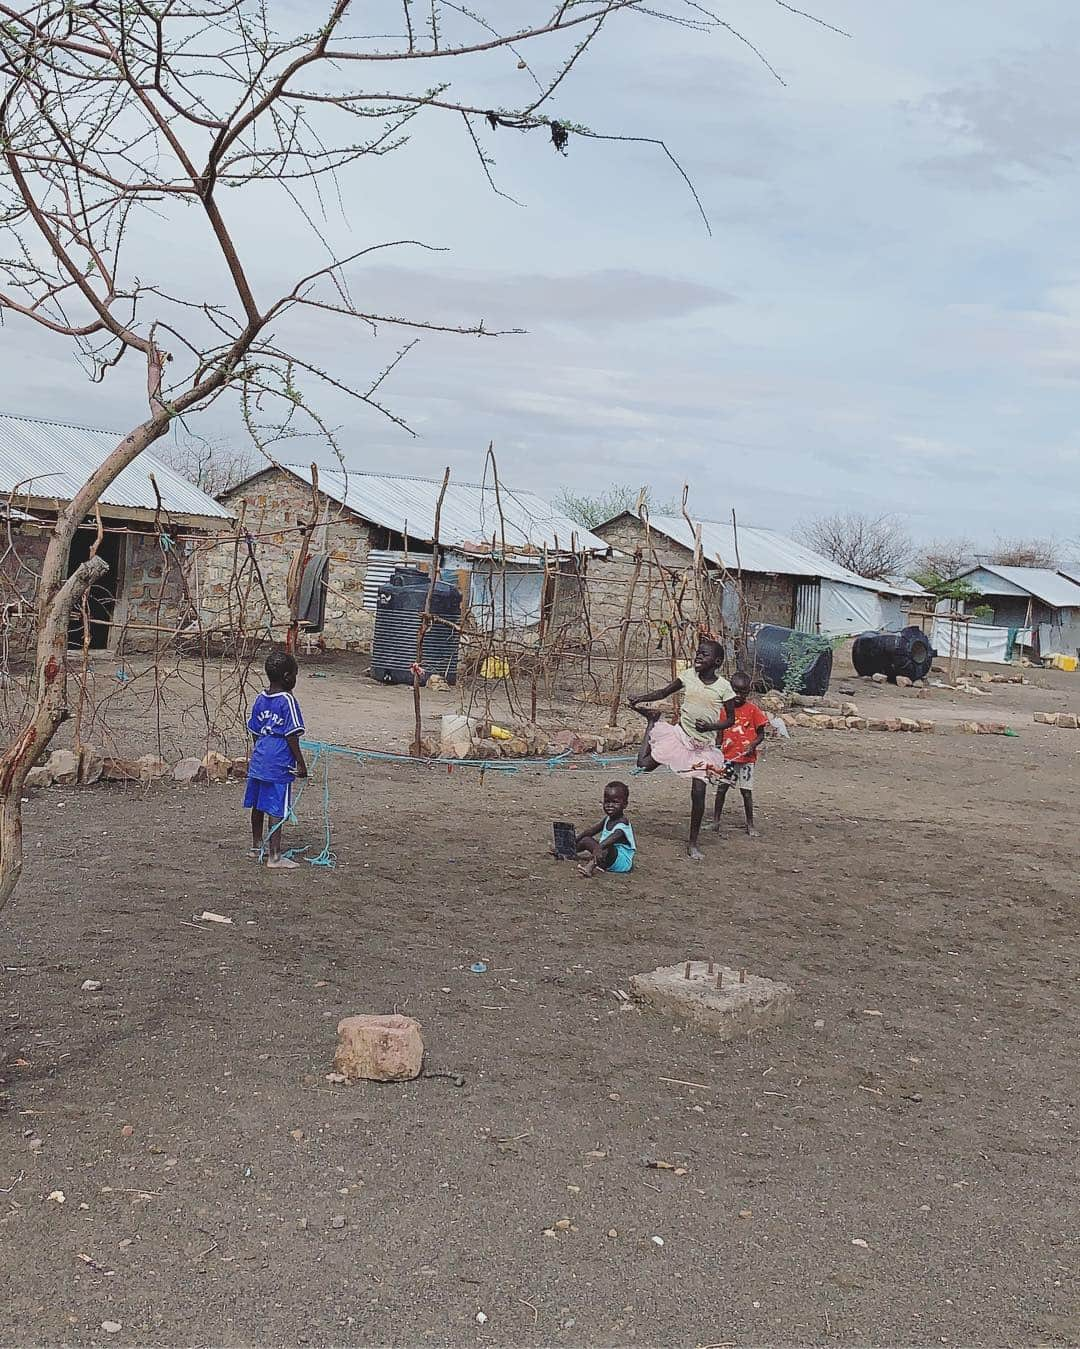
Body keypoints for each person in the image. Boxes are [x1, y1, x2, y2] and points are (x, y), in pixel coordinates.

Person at [629, 637, 736, 860]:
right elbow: (663, 692)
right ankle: (652, 722)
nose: (698, 656)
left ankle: (693, 842)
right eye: (698, 652)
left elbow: (730, 721)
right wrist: (640, 698)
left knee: (699, 792)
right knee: (643, 765)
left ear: (717, 662)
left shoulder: (724, 688)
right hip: (680, 737)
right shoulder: (688, 675)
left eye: (704, 654)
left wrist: (711, 726)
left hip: (702, 748)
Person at [244, 649, 308, 869]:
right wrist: (301, 763)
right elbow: (292, 734)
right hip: (279, 758)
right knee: (276, 806)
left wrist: (261, 749)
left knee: (258, 804)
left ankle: (255, 847)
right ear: (288, 677)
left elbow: (253, 728)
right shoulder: (287, 700)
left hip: (260, 754)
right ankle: (275, 856)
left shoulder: (261, 698)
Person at [714, 670, 769, 837]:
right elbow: (720, 733)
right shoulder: (724, 710)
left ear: (748, 693)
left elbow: (761, 734)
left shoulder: (753, 710)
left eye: (742, 692)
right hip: (728, 757)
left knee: (746, 792)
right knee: (722, 788)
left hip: (746, 759)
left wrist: (752, 745)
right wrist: (717, 751)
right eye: (735, 691)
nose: (738, 695)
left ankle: (750, 824)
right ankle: (715, 821)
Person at [553, 781, 636, 878]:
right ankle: (566, 852)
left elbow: (610, 840)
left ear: (625, 804)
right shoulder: (608, 819)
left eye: (615, 802)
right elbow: (591, 831)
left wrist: (598, 848)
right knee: (586, 840)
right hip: (604, 854)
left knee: (606, 846)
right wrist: (572, 843)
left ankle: (589, 867)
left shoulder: (622, 825)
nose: (609, 805)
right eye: (607, 801)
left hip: (620, 863)